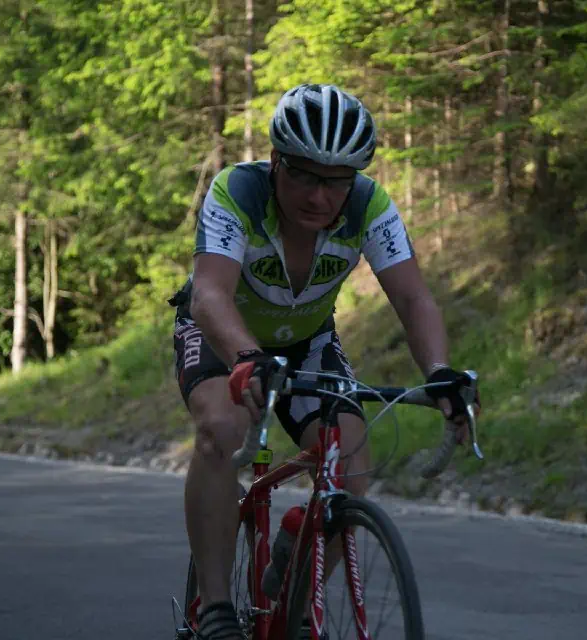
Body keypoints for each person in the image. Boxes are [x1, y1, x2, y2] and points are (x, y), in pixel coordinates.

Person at [169, 83, 481, 639]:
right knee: (221, 428)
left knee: (351, 466)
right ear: (275, 162)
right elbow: (210, 295)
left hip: (307, 341)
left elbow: (413, 298)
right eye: (305, 176)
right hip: (222, 332)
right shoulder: (238, 192)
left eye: (337, 181)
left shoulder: (369, 205)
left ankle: (293, 588)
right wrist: (247, 357)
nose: (320, 196)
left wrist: (438, 372)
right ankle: (215, 609)